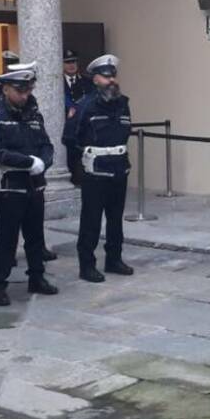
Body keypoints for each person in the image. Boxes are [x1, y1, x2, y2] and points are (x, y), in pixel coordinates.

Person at [0, 67, 58, 307]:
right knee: (6, 238)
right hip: (9, 186)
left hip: (34, 185)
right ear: (5, 89)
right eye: (19, 90)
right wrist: (25, 162)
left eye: (28, 90)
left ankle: (37, 276)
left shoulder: (33, 114)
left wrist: (44, 161)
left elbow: (46, 144)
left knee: (35, 235)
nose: (25, 95)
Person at [64, 54, 134, 282]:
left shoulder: (123, 103)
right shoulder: (84, 106)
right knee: (91, 219)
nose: (111, 80)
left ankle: (114, 259)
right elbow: (70, 138)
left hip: (119, 169)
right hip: (95, 172)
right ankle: (87, 264)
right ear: (95, 79)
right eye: (106, 77)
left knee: (115, 219)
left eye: (113, 75)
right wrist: (85, 159)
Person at [63, 49, 90, 185]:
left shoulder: (87, 82)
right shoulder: (57, 83)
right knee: (68, 158)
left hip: (82, 127)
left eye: (73, 61)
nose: (71, 65)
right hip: (64, 128)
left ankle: (81, 182)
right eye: (67, 62)